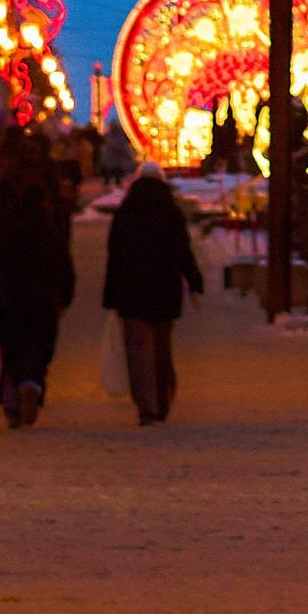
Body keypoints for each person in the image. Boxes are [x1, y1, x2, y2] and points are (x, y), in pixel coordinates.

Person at [0, 143, 79, 427]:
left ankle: (12, 401)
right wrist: (65, 298)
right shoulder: (49, 230)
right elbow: (64, 265)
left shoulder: (7, 226)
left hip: (9, 301)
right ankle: (33, 384)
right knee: (39, 348)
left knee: (11, 352)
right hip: (43, 301)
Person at [105, 158, 203, 424]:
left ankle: (145, 405)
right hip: (164, 290)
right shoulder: (170, 213)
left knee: (138, 353)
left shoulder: (125, 213)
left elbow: (115, 255)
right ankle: (162, 399)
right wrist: (194, 282)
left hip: (131, 291)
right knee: (161, 349)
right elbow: (182, 251)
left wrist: (110, 295)